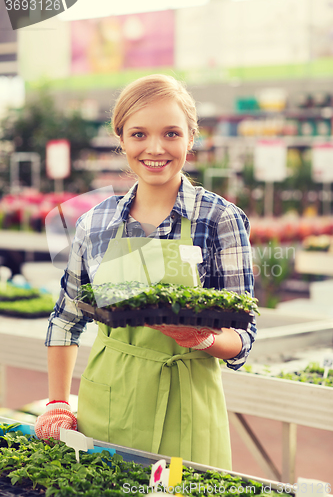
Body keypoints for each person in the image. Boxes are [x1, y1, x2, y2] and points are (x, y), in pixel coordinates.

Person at [35, 74, 256, 470]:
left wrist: (203, 340)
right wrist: (57, 401)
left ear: (191, 138)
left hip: (188, 404)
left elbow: (244, 335)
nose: (155, 148)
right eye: (139, 134)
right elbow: (66, 320)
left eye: (171, 133)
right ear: (121, 139)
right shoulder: (94, 223)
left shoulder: (220, 219)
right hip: (109, 401)